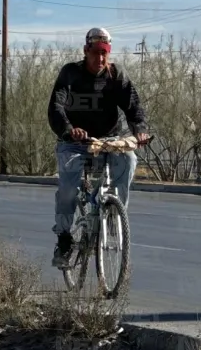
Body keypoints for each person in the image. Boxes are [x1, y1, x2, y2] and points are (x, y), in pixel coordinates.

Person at [47, 27, 150, 268]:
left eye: (105, 53)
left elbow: (134, 106)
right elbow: (56, 108)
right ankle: (63, 239)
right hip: (75, 143)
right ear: (86, 51)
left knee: (129, 160)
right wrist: (69, 129)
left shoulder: (116, 76)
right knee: (68, 189)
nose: (100, 59)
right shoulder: (70, 73)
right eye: (95, 53)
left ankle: (114, 217)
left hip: (108, 141)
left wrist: (139, 129)